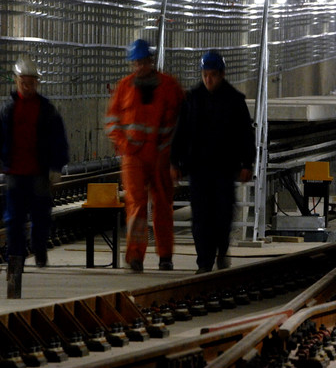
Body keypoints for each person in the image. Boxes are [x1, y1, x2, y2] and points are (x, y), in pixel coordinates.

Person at [170, 50, 255, 274]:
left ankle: (221, 249)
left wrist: (247, 163)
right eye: (205, 75)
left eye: (213, 75)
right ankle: (204, 262)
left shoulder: (234, 101)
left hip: (224, 168)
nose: (208, 79)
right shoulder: (192, 99)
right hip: (199, 168)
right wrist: (174, 162)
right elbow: (181, 132)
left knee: (222, 214)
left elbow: (245, 133)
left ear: (222, 74)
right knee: (200, 217)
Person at [105, 39, 184, 272]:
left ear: (150, 61)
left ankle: (165, 256)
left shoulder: (169, 86)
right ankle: (135, 256)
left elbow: (182, 121)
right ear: (132, 64)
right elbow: (111, 122)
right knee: (136, 207)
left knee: (163, 207)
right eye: (135, 63)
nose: (139, 66)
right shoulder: (124, 87)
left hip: (161, 156)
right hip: (134, 158)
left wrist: (173, 154)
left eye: (142, 62)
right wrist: (124, 145)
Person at [0, 55, 69, 298]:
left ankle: (39, 248)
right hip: (15, 174)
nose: (27, 87)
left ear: (36, 83)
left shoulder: (46, 110)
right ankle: (16, 258)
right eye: (23, 82)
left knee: (41, 216)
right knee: (14, 220)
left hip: (39, 172)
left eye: (31, 83)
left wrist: (56, 167)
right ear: (17, 81)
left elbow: (58, 139)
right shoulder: (8, 109)